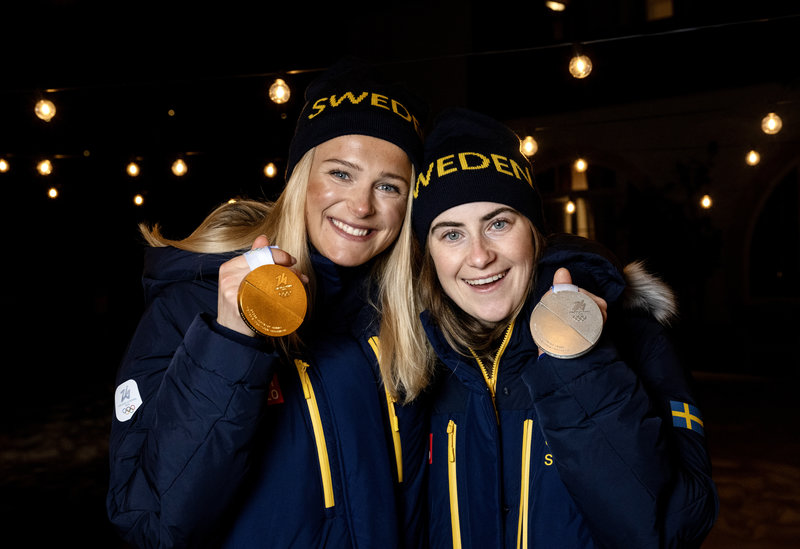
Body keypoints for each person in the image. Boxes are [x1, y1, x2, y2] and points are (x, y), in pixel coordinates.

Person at [106, 59, 434, 548]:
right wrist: (232, 339)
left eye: (389, 186)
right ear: (302, 178)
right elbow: (154, 523)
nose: (363, 206)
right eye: (341, 173)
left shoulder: (402, 321)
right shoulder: (193, 304)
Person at [410, 107, 719, 548]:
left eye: (498, 223)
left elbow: (674, 528)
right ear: (429, 254)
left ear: (535, 232)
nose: (479, 257)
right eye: (451, 233)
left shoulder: (636, 340)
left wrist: (579, 363)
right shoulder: (418, 361)